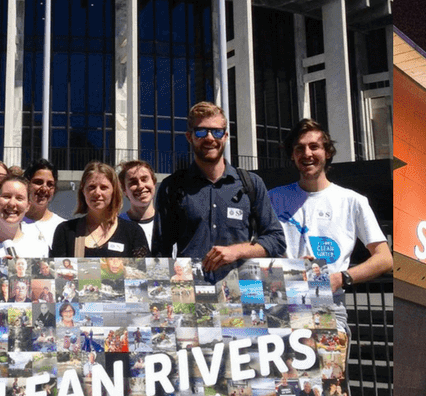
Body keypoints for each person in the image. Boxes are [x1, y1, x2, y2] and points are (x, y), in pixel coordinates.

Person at [154, 103, 285, 278]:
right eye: (201, 131)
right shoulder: (173, 187)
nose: (209, 138)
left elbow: (276, 239)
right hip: (193, 292)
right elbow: (160, 253)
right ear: (189, 137)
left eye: (216, 132)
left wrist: (237, 251)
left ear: (225, 137)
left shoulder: (250, 184)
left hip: (242, 292)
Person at [270, 118, 393, 292]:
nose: (307, 154)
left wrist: (340, 278)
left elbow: (385, 258)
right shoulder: (274, 198)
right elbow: (257, 248)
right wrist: (290, 268)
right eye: (299, 148)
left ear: (327, 152)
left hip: (329, 305)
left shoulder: (352, 201)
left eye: (314, 147)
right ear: (292, 154)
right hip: (282, 298)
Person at [51, 161, 149, 258]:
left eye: (103, 187)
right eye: (91, 187)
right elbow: (58, 271)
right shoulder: (65, 231)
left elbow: (143, 272)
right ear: (83, 191)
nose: (97, 193)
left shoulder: (133, 232)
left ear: (113, 192)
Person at [17, 158, 65, 256]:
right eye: (38, 182)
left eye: (50, 184)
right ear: (27, 184)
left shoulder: (63, 227)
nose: (44, 188)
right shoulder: (13, 223)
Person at [118, 159, 159, 246]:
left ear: (154, 183)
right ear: (124, 190)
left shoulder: (170, 222)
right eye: (133, 182)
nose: (140, 186)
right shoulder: (116, 226)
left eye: (144, 179)